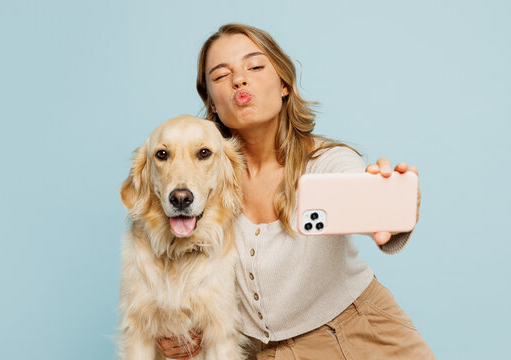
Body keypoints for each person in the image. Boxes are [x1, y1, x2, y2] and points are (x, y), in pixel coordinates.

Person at [157, 24, 434, 359]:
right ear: (211, 102)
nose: (239, 80)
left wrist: (391, 205)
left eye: (255, 67)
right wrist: (176, 329)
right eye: (221, 75)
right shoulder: (197, 185)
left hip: (360, 334)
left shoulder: (326, 161)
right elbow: (178, 270)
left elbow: (371, 210)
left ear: (284, 84)